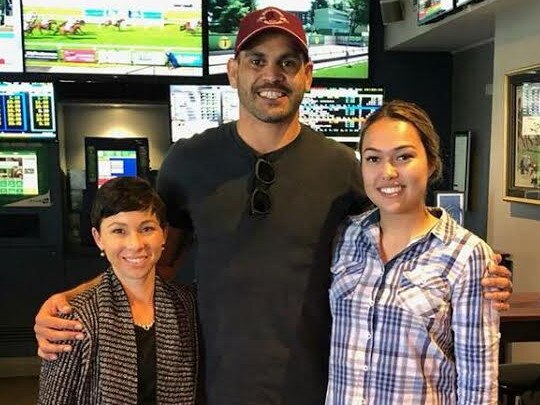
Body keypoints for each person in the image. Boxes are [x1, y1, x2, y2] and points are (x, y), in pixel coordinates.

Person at [34, 7, 512, 405]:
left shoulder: (342, 167)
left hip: (320, 389)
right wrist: (74, 301)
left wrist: (477, 274)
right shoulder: (187, 162)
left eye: (287, 63)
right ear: (234, 70)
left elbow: (395, 245)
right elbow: (152, 262)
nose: (271, 75)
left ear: (307, 75)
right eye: (257, 60)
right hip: (209, 386)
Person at [326, 100, 499, 404]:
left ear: (431, 163)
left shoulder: (466, 254)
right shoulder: (345, 236)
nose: (388, 172)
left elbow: (479, 383)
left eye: (404, 156)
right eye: (373, 159)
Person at [37, 176, 199, 405]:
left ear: (164, 233)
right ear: (98, 238)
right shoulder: (74, 319)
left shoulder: (187, 305)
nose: (135, 244)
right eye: (119, 231)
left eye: (147, 228)